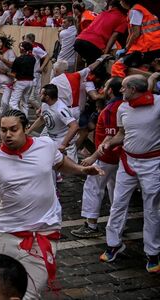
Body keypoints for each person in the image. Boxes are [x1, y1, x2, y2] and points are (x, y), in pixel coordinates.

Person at [0, 109, 103, 298]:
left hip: (44, 230)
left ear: (25, 128)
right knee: (5, 290)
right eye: (3, 130)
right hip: (8, 234)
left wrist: (82, 169)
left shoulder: (46, 145)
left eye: (13, 129)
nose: (7, 135)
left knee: (31, 294)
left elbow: (59, 163)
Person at [99, 74, 160, 273]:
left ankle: (152, 252)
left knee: (151, 208)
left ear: (133, 89)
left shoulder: (158, 104)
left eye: (124, 88)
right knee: (117, 203)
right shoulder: (123, 108)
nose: (121, 90)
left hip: (152, 163)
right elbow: (121, 134)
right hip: (127, 161)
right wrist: (109, 142)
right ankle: (114, 243)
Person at [71, 77, 123, 238]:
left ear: (110, 90)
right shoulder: (125, 106)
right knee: (116, 191)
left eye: (105, 86)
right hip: (120, 157)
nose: (102, 89)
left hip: (106, 157)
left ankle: (91, 224)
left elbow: (110, 136)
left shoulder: (110, 109)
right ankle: (118, 224)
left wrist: (94, 157)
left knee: (93, 187)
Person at [26, 84, 80, 166]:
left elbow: (74, 126)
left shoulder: (60, 109)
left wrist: (63, 144)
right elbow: (41, 119)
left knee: (70, 170)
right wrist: (28, 131)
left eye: (41, 94)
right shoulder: (45, 104)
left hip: (63, 143)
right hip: (51, 140)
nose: (39, 95)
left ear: (47, 97)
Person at [7, 42, 37, 118]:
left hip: (21, 82)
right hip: (30, 82)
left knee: (13, 103)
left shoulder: (18, 60)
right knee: (25, 103)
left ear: (22, 49)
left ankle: (21, 118)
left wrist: (5, 72)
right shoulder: (33, 58)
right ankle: (26, 122)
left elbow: (13, 74)